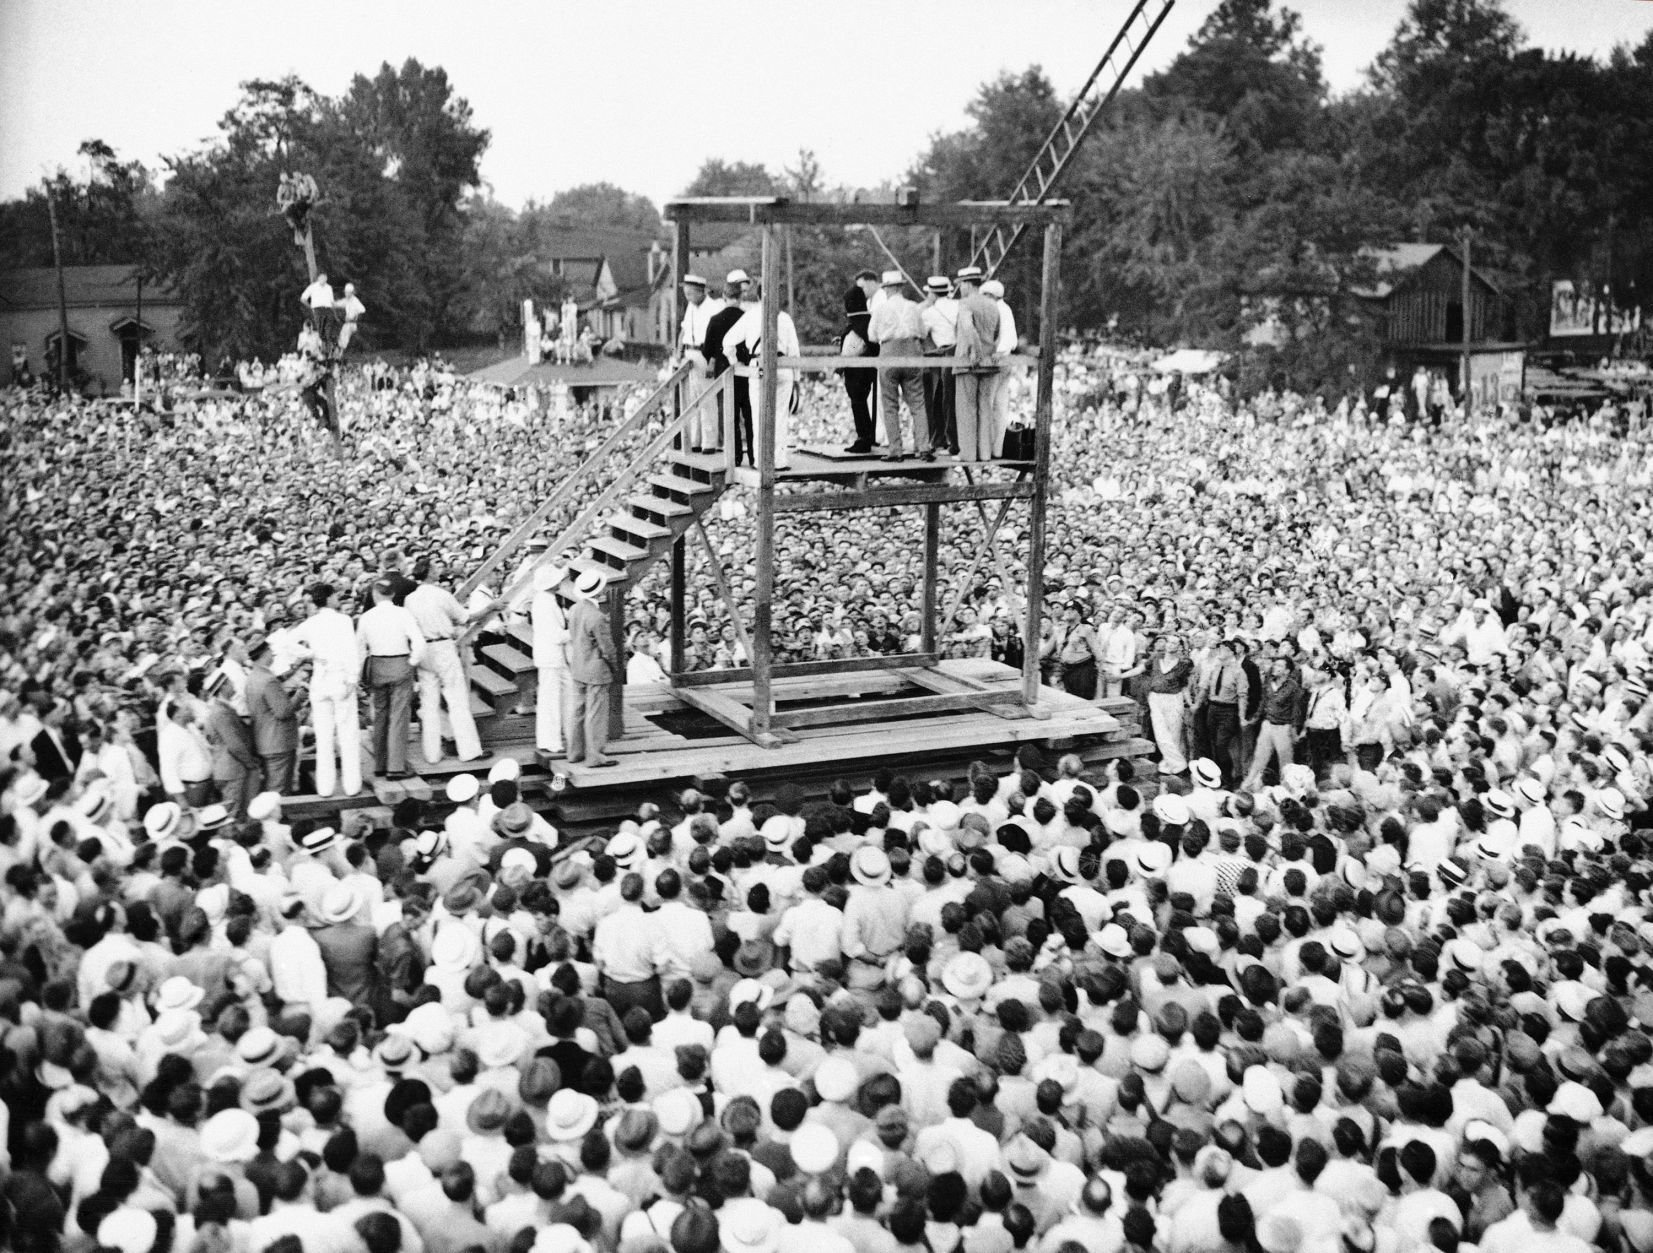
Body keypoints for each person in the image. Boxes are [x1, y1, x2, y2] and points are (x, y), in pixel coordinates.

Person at [404, 558, 486, 766]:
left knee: (429, 702)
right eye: (435, 568)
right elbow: (464, 618)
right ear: (430, 573)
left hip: (423, 648)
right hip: (442, 647)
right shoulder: (441, 595)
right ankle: (469, 750)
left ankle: (431, 753)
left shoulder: (410, 599)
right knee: (457, 698)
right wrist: (490, 608)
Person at [289, 582, 363, 798]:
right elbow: (351, 651)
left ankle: (325, 787)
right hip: (340, 679)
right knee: (348, 734)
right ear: (329, 598)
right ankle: (351, 786)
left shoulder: (311, 623)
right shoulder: (343, 620)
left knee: (323, 737)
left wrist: (311, 654)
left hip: (320, 681)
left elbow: (286, 642)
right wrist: (352, 678)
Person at [357, 577, 426, 781]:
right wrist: (412, 662)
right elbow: (419, 643)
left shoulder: (366, 617)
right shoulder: (403, 614)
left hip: (377, 664)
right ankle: (395, 767)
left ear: (374, 595)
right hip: (400, 663)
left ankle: (380, 763)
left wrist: (360, 673)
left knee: (380, 715)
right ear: (393, 594)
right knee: (399, 716)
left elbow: (359, 648)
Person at [867, 271, 930, 462]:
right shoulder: (914, 307)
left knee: (889, 404)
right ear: (900, 287)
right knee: (918, 402)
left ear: (887, 288)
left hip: (889, 353)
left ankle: (895, 450)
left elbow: (872, 336)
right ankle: (923, 447)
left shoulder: (880, 309)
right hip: (912, 352)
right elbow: (923, 332)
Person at [566, 568, 619, 768]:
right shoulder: (597, 617)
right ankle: (595, 755)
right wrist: (615, 667)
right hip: (596, 670)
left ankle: (575, 752)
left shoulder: (575, 610)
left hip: (579, 665)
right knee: (595, 714)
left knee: (578, 711)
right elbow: (608, 649)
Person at [952, 266, 1002, 462]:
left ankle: (968, 453)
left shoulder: (965, 304)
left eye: (961, 284)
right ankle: (985, 453)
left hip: (969, 361)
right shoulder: (993, 305)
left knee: (966, 408)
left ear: (966, 284)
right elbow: (998, 334)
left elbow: (967, 327)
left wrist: (976, 351)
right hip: (990, 363)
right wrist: (989, 351)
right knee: (985, 407)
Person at [702, 270, 750, 463]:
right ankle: (753, 454)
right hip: (745, 370)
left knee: (727, 412)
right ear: (740, 297)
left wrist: (715, 358)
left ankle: (733, 454)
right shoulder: (747, 317)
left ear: (723, 297)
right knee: (747, 411)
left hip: (723, 370)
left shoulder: (715, 320)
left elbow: (707, 349)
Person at [245, 644, 302, 795]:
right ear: (264, 654)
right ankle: (277, 817)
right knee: (279, 790)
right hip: (278, 742)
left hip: (266, 740)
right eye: (270, 651)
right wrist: (299, 696)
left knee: (273, 786)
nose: (273, 654)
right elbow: (283, 711)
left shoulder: (253, 677)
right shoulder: (268, 680)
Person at [678, 273, 725, 453]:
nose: (688, 297)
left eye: (690, 293)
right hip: (689, 352)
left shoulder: (713, 308)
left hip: (704, 353)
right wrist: (678, 351)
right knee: (692, 398)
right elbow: (683, 331)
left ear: (700, 292)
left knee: (707, 398)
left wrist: (713, 361)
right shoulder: (691, 307)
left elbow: (718, 338)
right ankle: (695, 441)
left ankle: (709, 442)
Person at [530, 563, 572, 761]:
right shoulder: (545, 603)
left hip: (554, 657)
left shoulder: (546, 599)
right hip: (550, 657)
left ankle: (565, 736)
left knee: (560, 696)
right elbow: (556, 635)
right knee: (550, 700)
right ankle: (551, 742)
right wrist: (575, 630)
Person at [841, 269, 881, 454]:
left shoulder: (857, 325)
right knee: (862, 403)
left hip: (857, 372)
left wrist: (840, 364)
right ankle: (868, 436)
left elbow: (853, 350)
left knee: (858, 403)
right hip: (867, 370)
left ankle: (863, 438)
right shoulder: (868, 321)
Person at [920, 275, 959, 457]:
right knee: (955, 399)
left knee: (942, 400)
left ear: (932, 293)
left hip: (944, 354)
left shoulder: (930, 312)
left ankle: (946, 440)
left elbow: (921, 333)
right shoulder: (958, 305)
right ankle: (953, 439)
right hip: (961, 352)